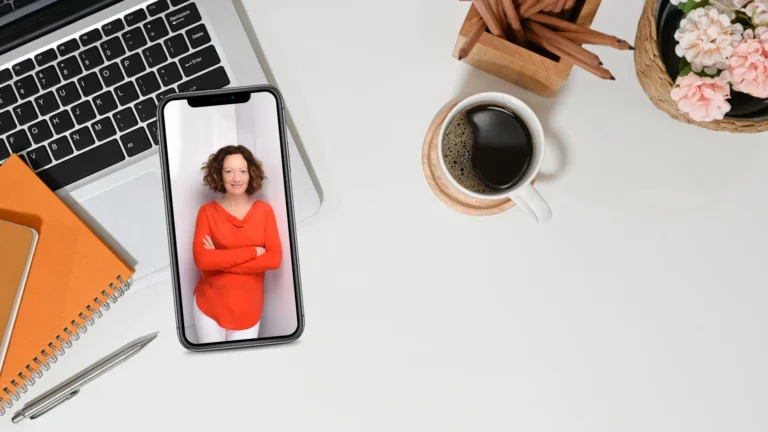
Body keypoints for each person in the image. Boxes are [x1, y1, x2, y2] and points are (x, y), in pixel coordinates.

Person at [191, 145, 282, 343]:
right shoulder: (206, 212)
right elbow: (202, 260)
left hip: (248, 311)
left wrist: (221, 261)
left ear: (250, 173)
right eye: (229, 171)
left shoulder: (264, 211)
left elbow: (274, 259)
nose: (236, 178)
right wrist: (253, 252)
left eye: (242, 171)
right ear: (219, 175)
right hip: (209, 306)